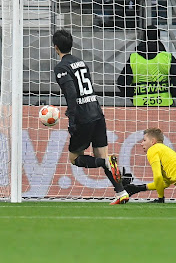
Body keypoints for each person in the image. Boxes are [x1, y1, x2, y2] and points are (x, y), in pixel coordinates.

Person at [52, 29, 129, 205]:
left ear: (56, 48)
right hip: (97, 112)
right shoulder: (81, 62)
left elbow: (71, 95)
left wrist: (71, 120)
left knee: (74, 158)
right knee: (102, 153)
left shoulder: (61, 68)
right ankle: (121, 192)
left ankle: (107, 163)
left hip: (83, 117)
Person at [117, 25, 176, 106]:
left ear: (143, 38)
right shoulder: (167, 57)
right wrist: (171, 93)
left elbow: (121, 82)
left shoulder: (134, 58)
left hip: (140, 105)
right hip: (164, 104)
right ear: (158, 37)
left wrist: (133, 95)